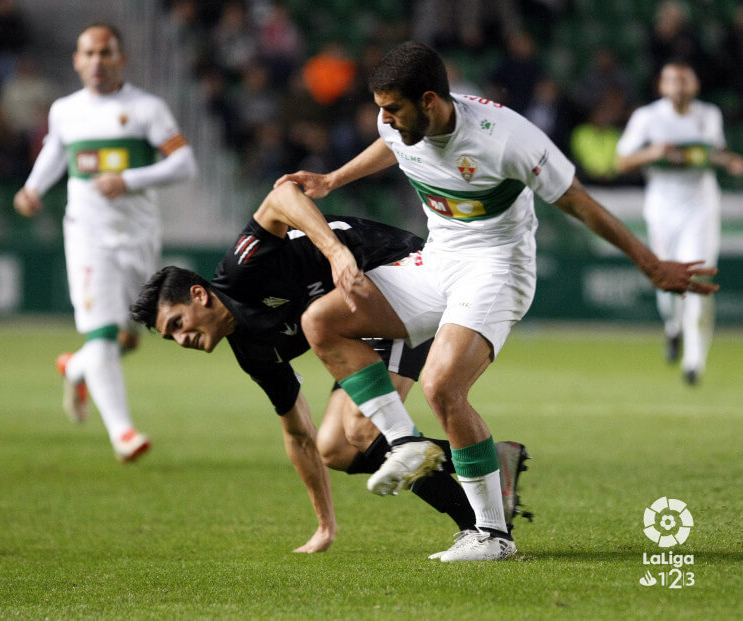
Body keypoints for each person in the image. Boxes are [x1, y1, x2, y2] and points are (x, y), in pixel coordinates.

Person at [275, 42, 719, 562]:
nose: (384, 120)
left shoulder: (508, 140)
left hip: (497, 268)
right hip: (438, 259)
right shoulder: (396, 121)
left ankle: (491, 535)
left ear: (430, 101)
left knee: (442, 386)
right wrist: (332, 179)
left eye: (393, 109)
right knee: (322, 320)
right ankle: (404, 442)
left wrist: (650, 264)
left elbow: (581, 203)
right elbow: (392, 145)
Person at [130, 185, 531, 553]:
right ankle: (488, 464)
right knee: (334, 448)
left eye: (177, 324)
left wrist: (336, 252)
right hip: (356, 320)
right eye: (171, 338)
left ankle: (481, 524)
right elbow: (298, 434)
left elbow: (283, 194)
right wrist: (325, 525)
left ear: (199, 295)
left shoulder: (242, 270)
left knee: (362, 427)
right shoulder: (252, 351)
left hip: (395, 274)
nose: (181, 340)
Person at [14, 24, 197, 462]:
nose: (97, 61)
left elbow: (184, 164)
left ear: (121, 59)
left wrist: (129, 179)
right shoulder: (65, 111)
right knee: (102, 334)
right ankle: (123, 434)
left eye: (105, 53)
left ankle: (76, 368)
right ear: (77, 61)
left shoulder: (145, 109)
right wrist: (33, 187)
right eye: (88, 53)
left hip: (137, 237)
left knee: (123, 338)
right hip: (87, 234)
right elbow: (56, 150)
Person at [616, 61, 743, 384]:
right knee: (667, 282)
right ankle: (673, 326)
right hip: (663, 207)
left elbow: (715, 153)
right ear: (662, 86)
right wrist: (653, 153)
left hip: (700, 204)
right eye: (673, 81)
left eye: (685, 80)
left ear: (695, 85)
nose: (679, 86)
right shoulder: (648, 117)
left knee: (698, 275)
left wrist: (729, 162)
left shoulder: (708, 115)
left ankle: (694, 362)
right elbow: (621, 160)